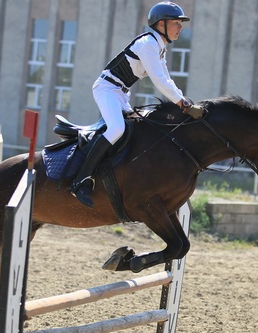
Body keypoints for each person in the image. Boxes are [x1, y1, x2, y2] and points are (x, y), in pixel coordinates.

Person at [69, 1, 205, 208]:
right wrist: (183, 105)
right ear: (161, 24)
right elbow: (159, 81)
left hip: (121, 93)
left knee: (138, 130)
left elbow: (167, 80)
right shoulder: (148, 44)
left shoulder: (159, 46)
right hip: (107, 89)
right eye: (176, 23)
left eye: (180, 23)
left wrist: (184, 101)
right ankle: (81, 180)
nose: (180, 27)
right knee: (116, 129)